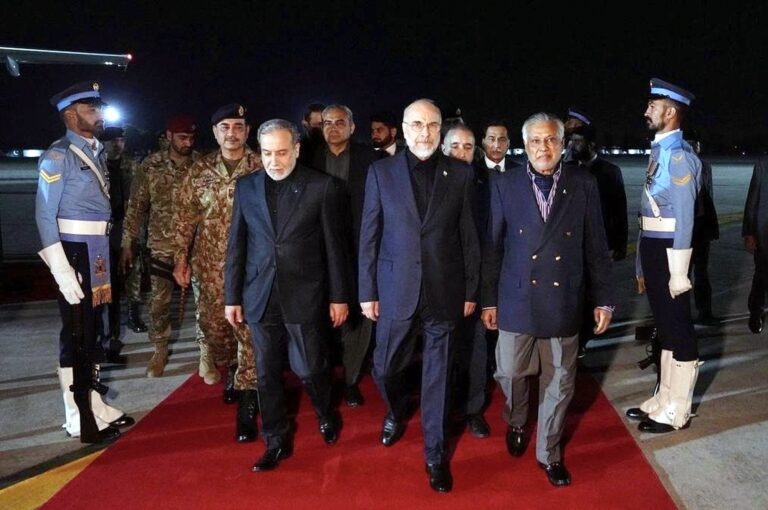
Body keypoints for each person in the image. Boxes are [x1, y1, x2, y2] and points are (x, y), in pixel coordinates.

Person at [481, 112, 613, 487]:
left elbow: (597, 247)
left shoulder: (583, 183)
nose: (543, 147)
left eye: (551, 140)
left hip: (563, 299)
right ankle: (518, 419)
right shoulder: (505, 184)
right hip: (516, 296)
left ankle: (549, 452)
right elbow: (492, 248)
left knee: (560, 383)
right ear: (525, 145)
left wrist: (603, 299)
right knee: (508, 371)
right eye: (536, 140)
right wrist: (489, 300)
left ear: (562, 144)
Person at [358, 99, 480, 493]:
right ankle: (396, 408)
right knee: (384, 367)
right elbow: (369, 238)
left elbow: (468, 239)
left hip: (445, 290)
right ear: (403, 129)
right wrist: (366, 291)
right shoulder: (380, 172)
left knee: (438, 378)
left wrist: (471, 289)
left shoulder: (460, 174)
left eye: (431, 125)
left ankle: (435, 455)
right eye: (416, 124)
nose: (424, 133)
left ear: (441, 128)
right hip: (395, 289)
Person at [224, 119, 349, 471]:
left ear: (296, 149)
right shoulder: (246, 188)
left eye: (281, 152)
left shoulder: (322, 188)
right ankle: (276, 440)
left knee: (310, 367)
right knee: (266, 374)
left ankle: (325, 412)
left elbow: (335, 249)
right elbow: (237, 246)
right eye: (266, 153)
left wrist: (339, 296)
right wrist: (231, 297)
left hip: (305, 294)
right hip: (259, 295)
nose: (274, 161)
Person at [35, 81, 134, 443]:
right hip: (74, 250)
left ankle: (93, 401)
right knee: (75, 333)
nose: (99, 114)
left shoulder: (95, 151)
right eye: (91, 109)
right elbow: (45, 216)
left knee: (93, 330)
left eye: (99, 108)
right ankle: (76, 413)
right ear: (70, 115)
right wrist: (61, 270)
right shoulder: (58, 155)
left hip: (96, 248)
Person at [173, 104, 261, 416]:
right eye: (225, 127)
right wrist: (179, 260)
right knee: (215, 327)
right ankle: (234, 367)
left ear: (248, 131)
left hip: (253, 264)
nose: (232, 133)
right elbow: (185, 219)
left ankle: (247, 385)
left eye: (238, 127)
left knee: (250, 325)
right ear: (215, 132)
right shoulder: (199, 171)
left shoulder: (261, 166)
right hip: (209, 265)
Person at [625, 78, 702, 435]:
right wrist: (643, 262)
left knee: (679, 327)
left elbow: (684, 217)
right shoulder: (660, 151)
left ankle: (679, 410)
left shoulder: (680, 157)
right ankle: (664, 397)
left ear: (670, 113)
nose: (646, 111)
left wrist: (679, 270)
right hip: (656, 247)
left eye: (653, 107)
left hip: (673, 248)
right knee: (665, 325)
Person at [310, 104, 383, 407]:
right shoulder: (307, 158)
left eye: (340, 122)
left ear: (352, 127)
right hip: (316, 250)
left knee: (358, 315)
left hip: (359, 247)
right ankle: (327, 377)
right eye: (327, 123)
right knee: (321, 315)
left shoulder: (372, 160)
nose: (333, 128)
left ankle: (351, 378)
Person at [120, 115, 200, 378]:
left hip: (198, 246)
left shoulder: (201, 164)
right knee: (159, 303)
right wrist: (128, 242)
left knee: (205, 302)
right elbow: (136, 206)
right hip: (161, 245)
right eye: (182, 137)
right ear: (168, 136)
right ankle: (160, 350)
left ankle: (207, 352)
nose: (187, 142)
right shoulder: (151, 165)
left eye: (190, 137)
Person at [441, 124, 493, 439]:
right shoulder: (430, 184)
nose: (462, 152)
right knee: (442, 352)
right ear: (443, 149)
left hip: (475, 282)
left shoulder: (486, 187)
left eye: (469, 146)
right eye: (456, 146)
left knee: (475, 351)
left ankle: (474, 410)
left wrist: (481, 289)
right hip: (439, 284)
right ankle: (444, 410)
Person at [563, 121, 628, 357]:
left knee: (593, 293)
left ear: (590, 145)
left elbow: (619, 210)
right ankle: (576, 340)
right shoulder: (566, 168)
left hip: (599, 245)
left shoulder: (609, 172)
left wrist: (619, 245)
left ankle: (584, 338)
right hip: (571, 246)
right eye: (571, 141)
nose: (572, 145)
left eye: (577, 141)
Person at [99, 126, 144, 363]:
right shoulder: (97, 164)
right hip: (103, 232)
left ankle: (129, 320)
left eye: (121, 140)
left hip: (127, 229)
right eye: (113, 141)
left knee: (132, 275)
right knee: (108, 288)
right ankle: (107, 337)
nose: (117, 144)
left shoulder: (133, 166)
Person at [687, 136, 720, 325]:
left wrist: (710, 225)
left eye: (697, 144)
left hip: (701, 228)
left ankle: (704, 311)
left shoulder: (705, 165)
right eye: (692, 143)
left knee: (701, 273)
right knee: (681, 273)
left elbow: (709, 195)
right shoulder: (676, 164)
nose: (696, 147)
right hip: (684, 227)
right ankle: (678, 312)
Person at [744, 157, 768, 334]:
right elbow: (753, 198)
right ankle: (755, 312)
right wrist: (750, 232)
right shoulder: (762, 164)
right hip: (764, 231)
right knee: (761, 273)